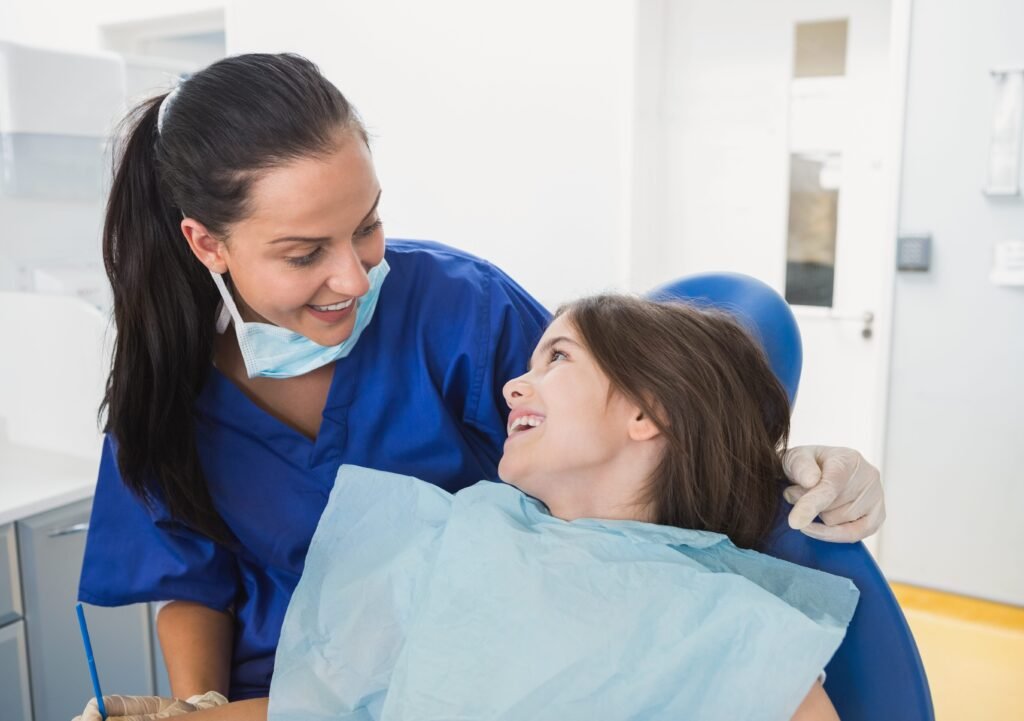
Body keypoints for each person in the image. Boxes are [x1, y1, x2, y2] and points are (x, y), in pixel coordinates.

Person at [75, 52, 884, 712]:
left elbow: (614, 417)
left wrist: (778, 463)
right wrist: (199, 706)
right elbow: (191, 584)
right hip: (299, 688)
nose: (354, 279)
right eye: (302, 254)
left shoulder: (457, 308)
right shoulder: (166, 387)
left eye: (367, 227)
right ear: (207, 244)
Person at [78, 295, 858, 721]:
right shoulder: (462, 540)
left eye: (557, 360)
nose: (516, 383)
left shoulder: (727, 621)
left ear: (647, 414)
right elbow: (327, 707)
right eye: (528, 361)